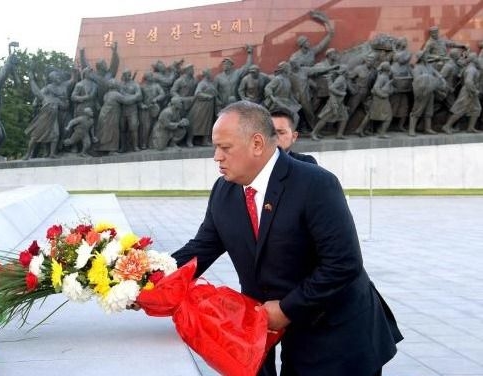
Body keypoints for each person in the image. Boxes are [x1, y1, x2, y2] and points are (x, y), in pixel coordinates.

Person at [170, 100, 402, 376]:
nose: (216, 157)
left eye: (225, 147)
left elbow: (343, 264)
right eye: (216, 147)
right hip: (279, 330)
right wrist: (147, 279)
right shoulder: (224, 191)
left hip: (338, 335)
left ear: (257, 144)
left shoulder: (314, 184)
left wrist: (286, 309)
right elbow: (201, 248)